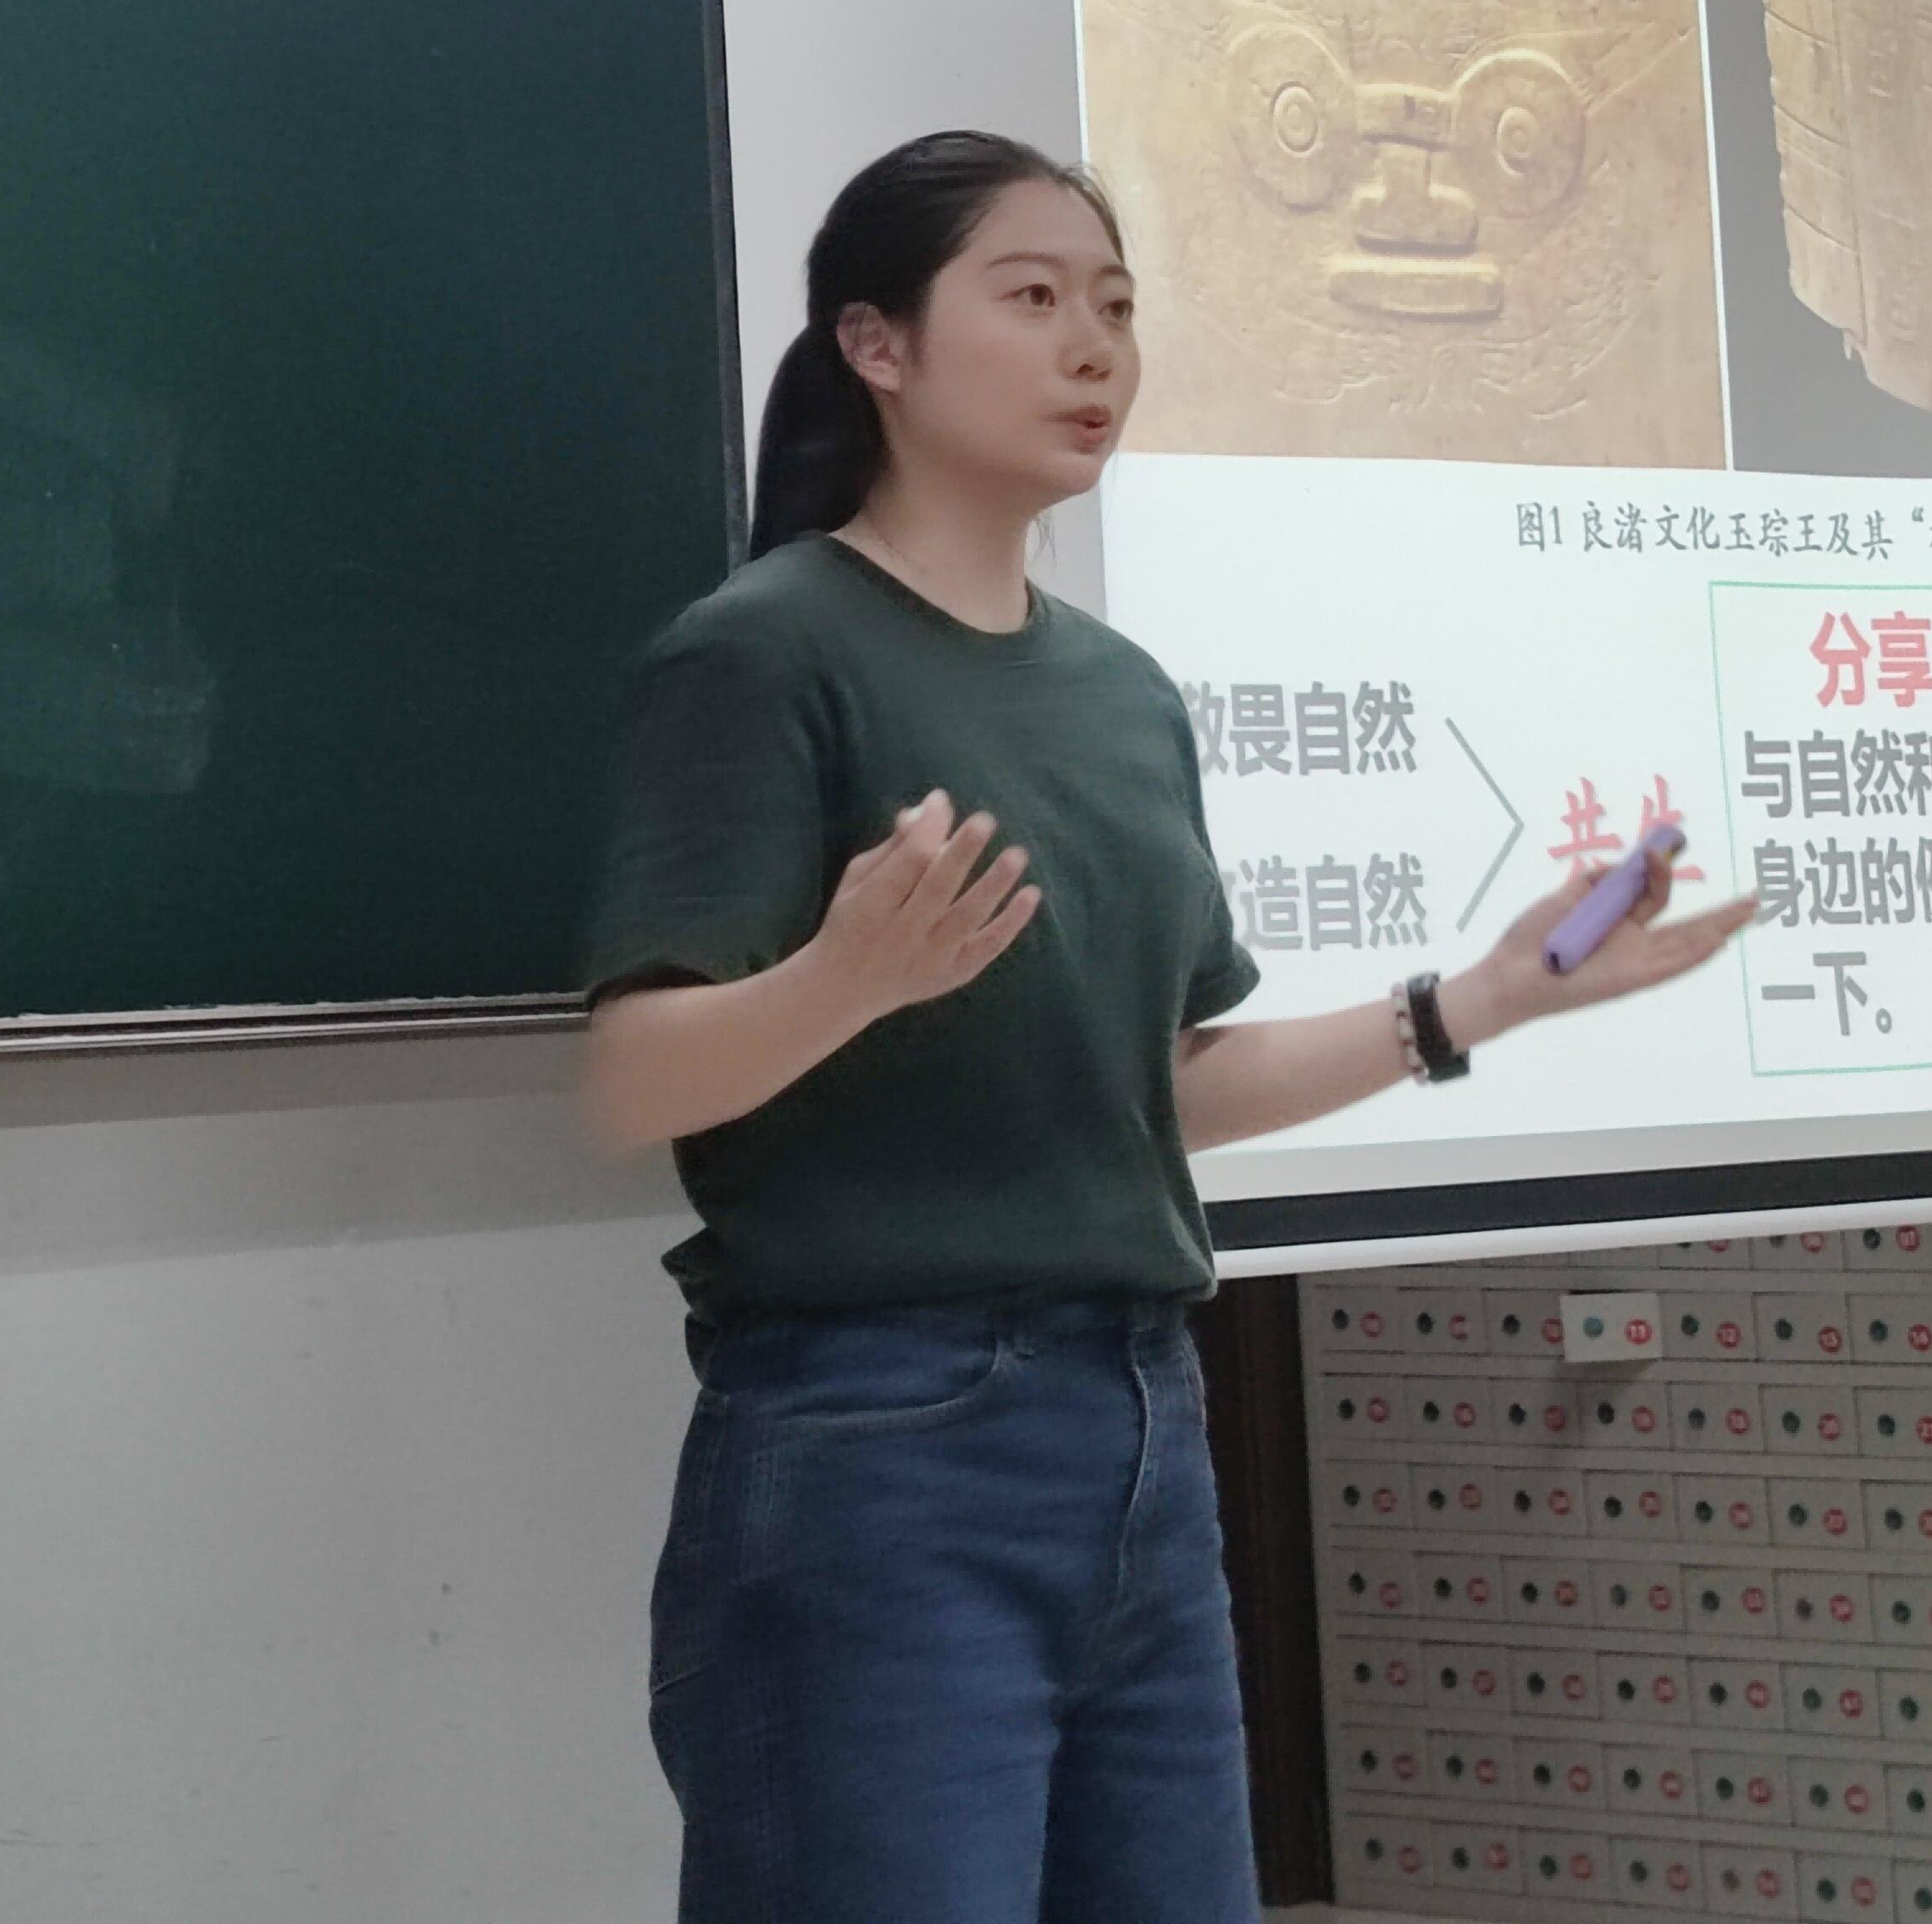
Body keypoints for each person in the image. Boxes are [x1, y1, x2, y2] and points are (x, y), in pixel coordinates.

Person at [580, 129, 1756, 1924]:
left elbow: (1164, 1088)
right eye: (1032, 297)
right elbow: (629, 1078)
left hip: (1140, 1417)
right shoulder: (766, 650)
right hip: (880, 1437)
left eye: (1117, 308)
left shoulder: (1119, 692)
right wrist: (846, 979)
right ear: (874, 344)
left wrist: (1481, 1000)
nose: (1094, 350)